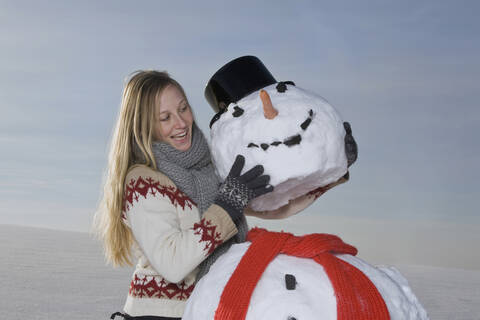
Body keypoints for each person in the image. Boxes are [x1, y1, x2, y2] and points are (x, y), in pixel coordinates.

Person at [93, 70, 273, 320]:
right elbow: (173, 263)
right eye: (165, 118)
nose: (181, 123)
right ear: (145, 126)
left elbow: (268, 202)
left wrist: (330, 167)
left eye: (183, 109)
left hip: (205, 307)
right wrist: (226, 205)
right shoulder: (143, 182)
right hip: (162, 315)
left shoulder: (207, 167)